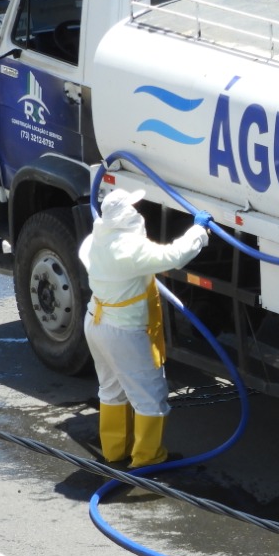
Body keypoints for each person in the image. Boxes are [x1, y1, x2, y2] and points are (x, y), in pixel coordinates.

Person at [78, 188, 210, 469]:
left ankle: (115, 452)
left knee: (112, 389)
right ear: (126, 216)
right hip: (123, 330)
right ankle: (148, 460)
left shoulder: (95, 240)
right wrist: (198, 230)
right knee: (150, 397)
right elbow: (174, 255)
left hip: (96, 321)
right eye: (133, 209)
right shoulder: (130, 249)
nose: (138, 213)